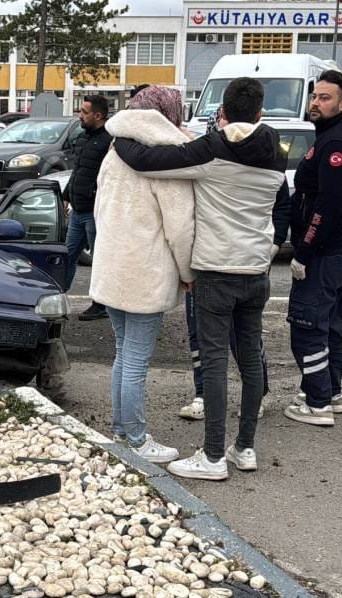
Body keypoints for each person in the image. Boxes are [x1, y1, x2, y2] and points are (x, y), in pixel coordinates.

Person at [111, 78, 285, 480]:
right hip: (256, 272)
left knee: (213, 364)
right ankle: (244, 448)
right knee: (251, 360)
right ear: (260, 113)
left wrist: (119, 136)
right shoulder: (277, 154)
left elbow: (145, 162)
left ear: (221, 113)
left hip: (215, 273)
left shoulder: (213, 150)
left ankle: (210, 458)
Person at [90, 85, 196, 463]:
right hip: (146, 271)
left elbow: (101, 206)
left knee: (124, 354)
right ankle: (135, 438)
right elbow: (180, 227)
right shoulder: (168, 160)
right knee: (135, 359)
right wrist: (188, 272)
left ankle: (122, 432)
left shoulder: (115, 149)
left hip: (113, 265)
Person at [179, 108, 290, 423]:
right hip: (208, 261)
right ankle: (202, 394)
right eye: (223, 122)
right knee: (199, 336)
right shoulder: (207, 155)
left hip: (248, 262)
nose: (228, 128)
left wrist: (274, 244)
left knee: (246, 341)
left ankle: (257, 396)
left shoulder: (266, 156)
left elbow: (282, 205)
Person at [282, 70, 342, 428]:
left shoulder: (337, 143)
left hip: (328, 250)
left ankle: (318, 403)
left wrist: (304, 250)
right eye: (315, 96)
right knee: (329, 323)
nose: (316, 103)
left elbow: (328, 204)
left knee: (307, 324)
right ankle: (329, 391)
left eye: (325, 98)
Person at [64, 95, 112, 322]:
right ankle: (58, 296)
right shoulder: (83, 138)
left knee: (100, 261)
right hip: (77, 210)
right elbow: (78, 171)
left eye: (84, 112)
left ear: (98, 115)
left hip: (95, 212)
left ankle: (101, 304)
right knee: (68, 255)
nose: (80, 115)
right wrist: (66, 196)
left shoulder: (109, 142)